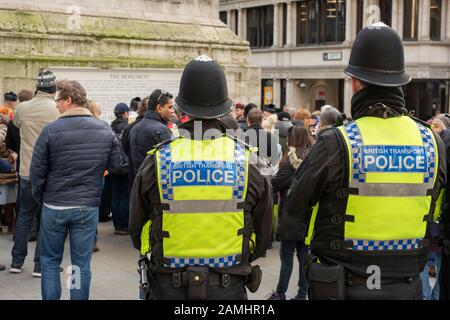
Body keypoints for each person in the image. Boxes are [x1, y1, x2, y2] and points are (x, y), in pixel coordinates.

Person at [287, 23, 447, 300]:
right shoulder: (431, 142)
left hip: (342, 284)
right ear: (401, 83)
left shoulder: (336, 142)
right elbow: (436, 207)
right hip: (408, 285)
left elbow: (294, 210)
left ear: (355, 83)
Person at [129, 55, 273, 300]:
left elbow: (136, 227)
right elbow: (265, 230)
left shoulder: (157, 161)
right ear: (226, 108)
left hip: (168, 285)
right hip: (228, 285)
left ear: (180, 109)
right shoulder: (250, 162)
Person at [30, 80, 121, 300]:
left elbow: (37, 172)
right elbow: (117, 165)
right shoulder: (104, 129)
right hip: (86, 206)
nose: (57, 105)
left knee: (50, 262)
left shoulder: (51, 130)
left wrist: (41, 198)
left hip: (55, 204)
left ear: (68, 100)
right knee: (81, 264)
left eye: (58, 100)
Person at [10, 70, 61, 277]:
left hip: (26, 171)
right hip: (49, 172)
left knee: (24, 216)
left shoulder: (22, 107)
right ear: (53, 88)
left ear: (38, 87)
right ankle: (40, 265)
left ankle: (16, 261)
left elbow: (16, 125)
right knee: (45, 219)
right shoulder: (56, 109)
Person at [268, 123, 314, 300]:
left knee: (286, 257)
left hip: (290, 217)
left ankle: (280, 293)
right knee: (304, 256)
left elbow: (274, 184)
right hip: (309, 216)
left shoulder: (290, 164)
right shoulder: (313, 159)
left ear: (293, 140)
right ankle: (303, 293)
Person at [128, 89, 173, 187]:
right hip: (156, 189)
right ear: (159, 108)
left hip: (139, 187)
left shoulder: (134, 128)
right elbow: (168, 166)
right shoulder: (162, 130)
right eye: (170, 107)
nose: (172, 111)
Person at [109, 103, 130, 235]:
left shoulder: (110, 128)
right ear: (125, 113)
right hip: (127, 166)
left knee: (115, 195)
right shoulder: (128, 128)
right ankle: (124, 225)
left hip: (113, 166)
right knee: (125, 195)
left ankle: (117, 225)